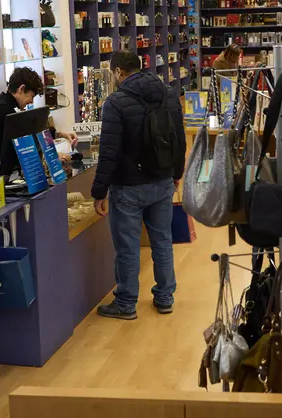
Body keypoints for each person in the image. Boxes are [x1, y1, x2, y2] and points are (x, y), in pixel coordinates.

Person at [92, 50, 186, 320]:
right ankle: (165, 297)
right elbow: (178, 137)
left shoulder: (115, 103)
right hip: (162, 179)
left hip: (128, 186)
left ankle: (125, 303)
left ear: (119, 72)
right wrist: (176, 172)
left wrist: (99, 191)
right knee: (162, 240)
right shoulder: (168, 93)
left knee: (127, 246)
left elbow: (108, 152)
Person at [0, 67, 76, 177]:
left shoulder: (4, 106)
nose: (31, 101)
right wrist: (52, 156)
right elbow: (22, 144)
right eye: (31, 96)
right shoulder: (2, 110)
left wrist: (59, 134)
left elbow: (29, 132)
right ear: (21, 89)